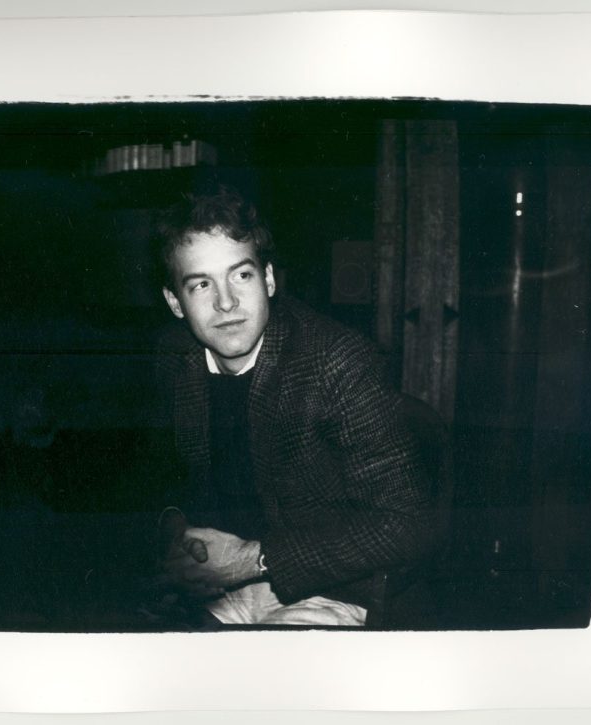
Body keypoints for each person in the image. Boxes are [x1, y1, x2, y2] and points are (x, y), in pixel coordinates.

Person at [151, 185, 438, 626]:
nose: (225, 302)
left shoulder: (337, 362)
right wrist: (176, 531)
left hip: (334, 590)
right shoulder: (175, 358)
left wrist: (250, 559)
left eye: (241, 275)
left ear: (268, 279)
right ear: (175, 302)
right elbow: (159, 476)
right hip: (222, 588)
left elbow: (407, 524)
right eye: (202, 284)